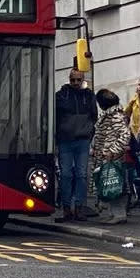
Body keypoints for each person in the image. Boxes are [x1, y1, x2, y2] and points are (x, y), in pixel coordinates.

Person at [55, 69, 98, 223]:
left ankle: (78, 207)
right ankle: (67, 208)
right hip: (66, 140)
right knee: (66, 175)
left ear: (82, 80)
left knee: (81, 175)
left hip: (81, 140)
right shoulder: (61, 96)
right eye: (73, 80)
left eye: (78, 80)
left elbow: (94, 116)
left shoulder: (88, 96)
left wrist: (88, 134)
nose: (75, 83)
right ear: (69, 79)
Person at [92, 89, 131, 224]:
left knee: (114, 184)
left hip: (112, 157)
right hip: (107, 156)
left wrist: (113, 151)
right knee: (109, 184)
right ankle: (113, 213)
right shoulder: (110, 115)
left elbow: (125, 135)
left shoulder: (115, 117)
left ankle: (119, 214)